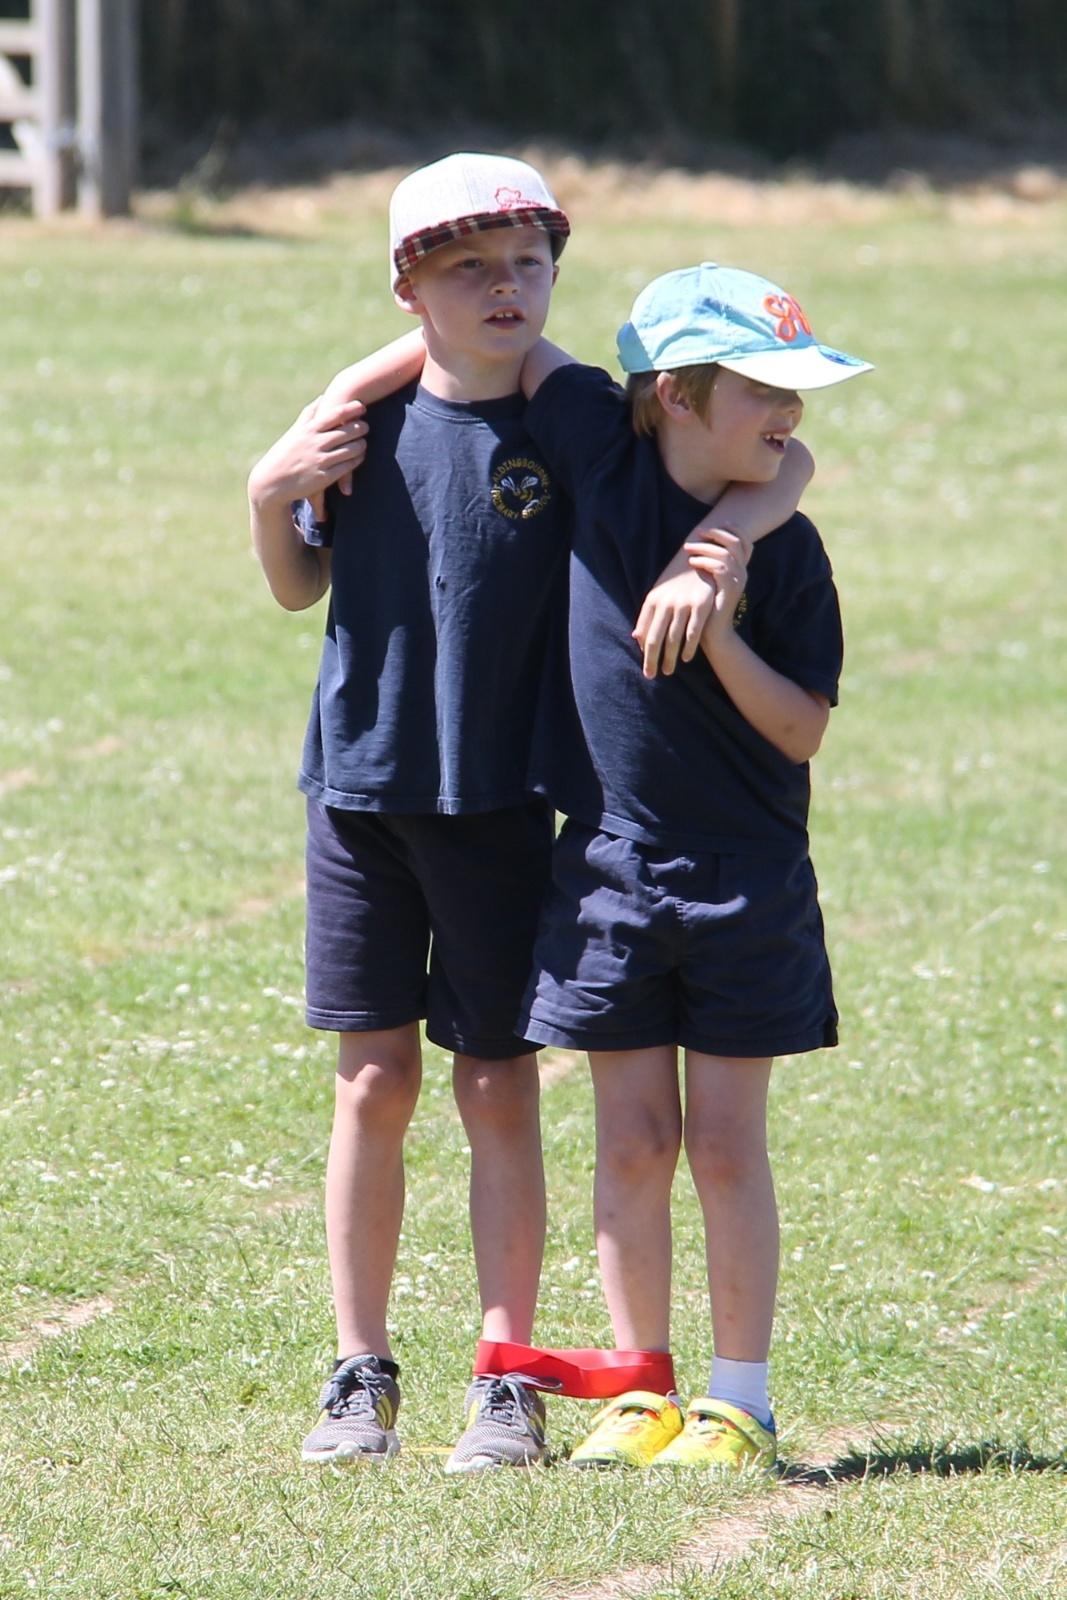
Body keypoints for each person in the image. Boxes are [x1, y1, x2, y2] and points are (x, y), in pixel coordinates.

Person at [246, 149, 811, 1473]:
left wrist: (725, 543)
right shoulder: (357, 425)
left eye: (527, 264)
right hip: (358, 793)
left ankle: (505, 1375)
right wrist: (271, 484)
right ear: (407, 285)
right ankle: (359, 1368)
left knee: (496, 1082)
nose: (504, 289)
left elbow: (775, 456)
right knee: (371, 1081)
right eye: (466, 269)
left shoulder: (578, 423)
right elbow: (292, 583)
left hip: (504, 805)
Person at [513, 263, 872, 1470]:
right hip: (606, 869)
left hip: (745, 880)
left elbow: (801, 728)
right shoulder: (598, 460)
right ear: (671, 393)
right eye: (763, 388)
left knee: (722, 1144)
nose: (789, 413)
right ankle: (638, 1387)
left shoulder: (788, 547)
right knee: (628, 1141)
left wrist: (719, 607)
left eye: (795, 391)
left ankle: (737, 1402)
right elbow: (504, 341)